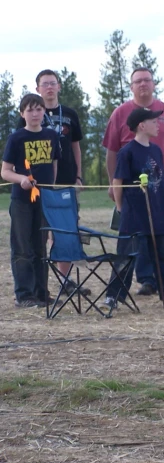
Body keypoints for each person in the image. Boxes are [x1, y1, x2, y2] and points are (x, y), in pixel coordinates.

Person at [103, 67, 164, 295]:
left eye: (147, 80)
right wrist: (115, 185)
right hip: (133, 184)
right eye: (138, 81)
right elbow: (112, 151)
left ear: (153, 84)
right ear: (132, 86)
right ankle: (147, 279)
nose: (143, 84)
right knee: (137, 237)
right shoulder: (120, 114)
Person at [17, 70, 86, 296]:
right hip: (40, 185)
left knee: (65, 231)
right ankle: (37, 287)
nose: (49, 87)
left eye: (52, 83)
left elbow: (76, 146)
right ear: (37, 88)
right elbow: (22, 149)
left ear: (59, 87)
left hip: (66, 181)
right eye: (44, 84)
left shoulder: (69, 114)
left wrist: (79, 175)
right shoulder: (30, 114)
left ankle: (65, 281)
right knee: (39, 236)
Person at [2, 94, 61, 308]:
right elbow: (5, 171)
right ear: (22, 113)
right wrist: (21, 179)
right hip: (22, 201)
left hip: (43, 200)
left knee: (40, 247)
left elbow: (53, 165)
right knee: (22, 248)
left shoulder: (51, 136)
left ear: (44, 111)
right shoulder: (17, 138)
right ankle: (24, 295)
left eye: (38, 109)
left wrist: (51, 189)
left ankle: (41, 293)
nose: (35, 114)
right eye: (30, 110)